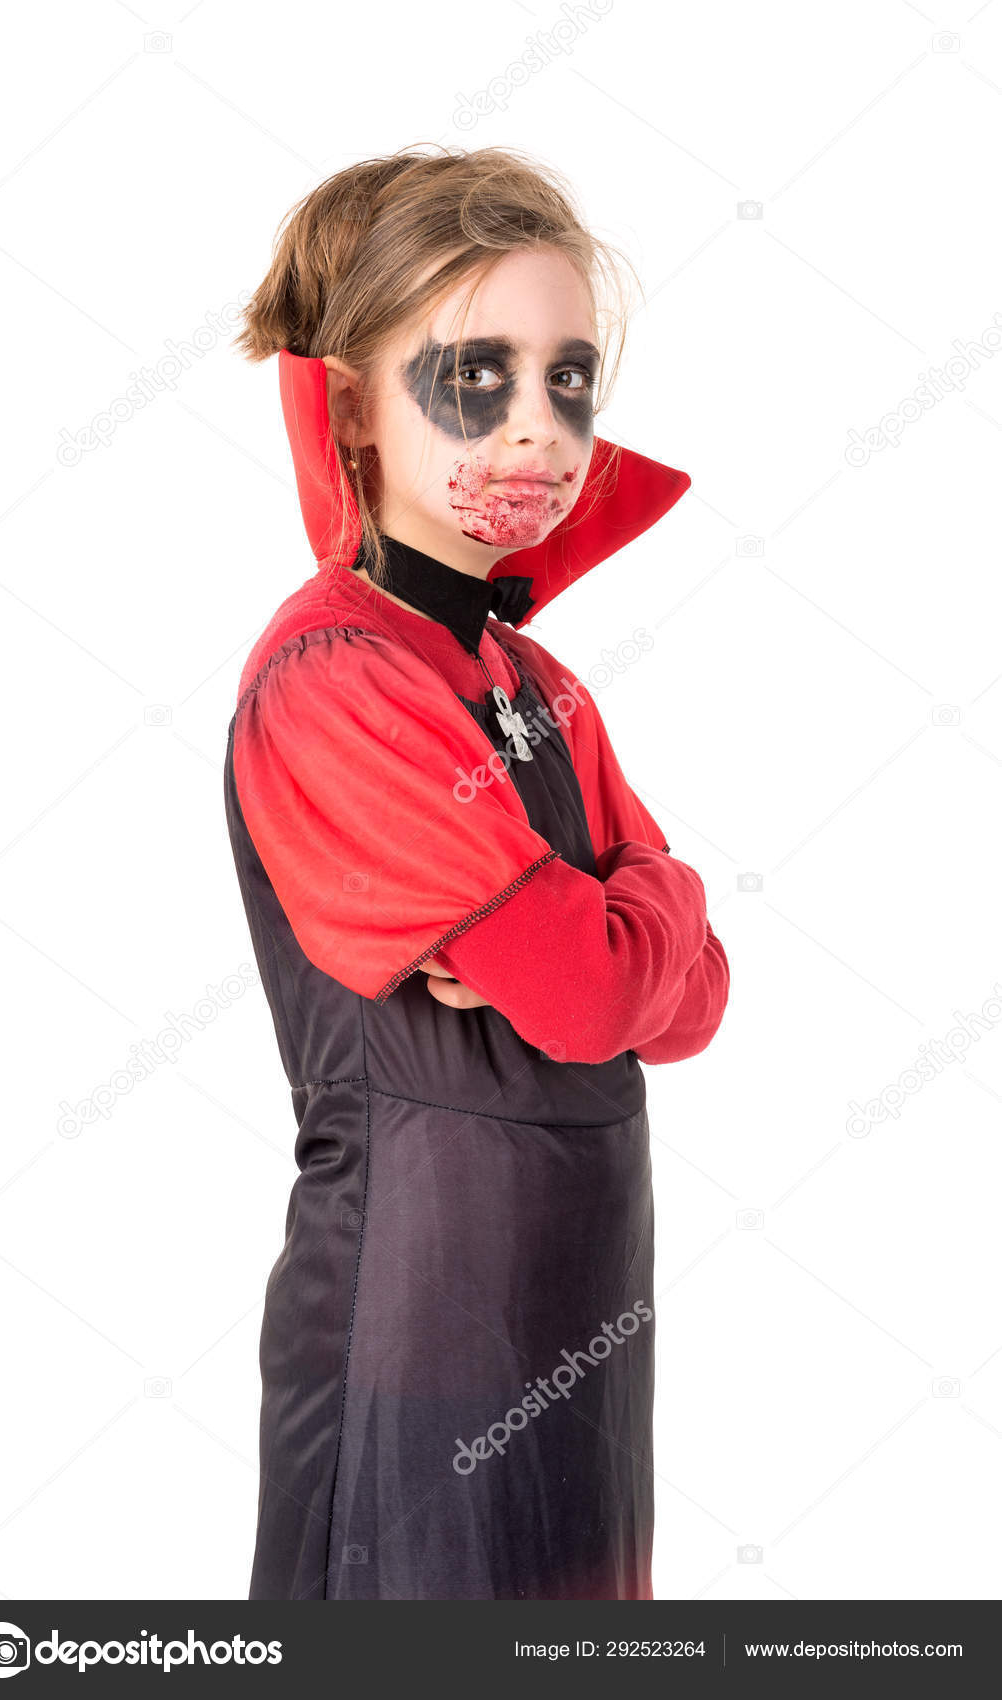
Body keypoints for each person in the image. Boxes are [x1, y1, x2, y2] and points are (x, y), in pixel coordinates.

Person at [224, 144, 730, 1601]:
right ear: (351, 409)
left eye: (568, 379)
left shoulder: (538, 684)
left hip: (587, 1299)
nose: (538, 429)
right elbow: (592, 1000)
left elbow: (694, 1003)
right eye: (474, 375)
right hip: (420, 1312)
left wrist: (652, 911)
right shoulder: (336, 679)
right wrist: (647, 905)